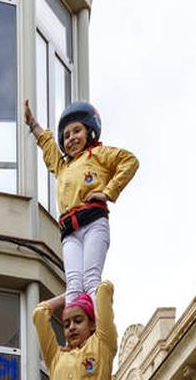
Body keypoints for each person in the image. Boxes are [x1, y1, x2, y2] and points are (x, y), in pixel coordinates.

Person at [24, 99, 138, 302]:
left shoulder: (98, 154)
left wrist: (108, 192)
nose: (71, 138)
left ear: (89, 132)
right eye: (66, 136)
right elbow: (48, 145)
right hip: (70, 233)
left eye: (77, 131)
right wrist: (33, 125)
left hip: (93, 222)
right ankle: (75, 330)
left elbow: (129, 161)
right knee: (74, 285)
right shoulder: (63, 167)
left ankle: (99, 326)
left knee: (91, 280)